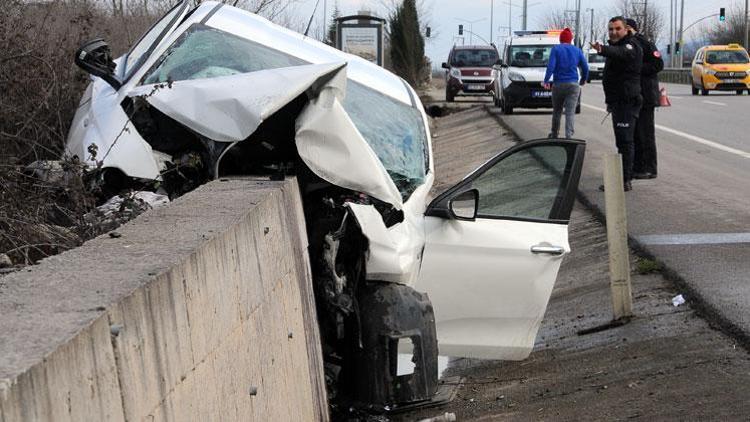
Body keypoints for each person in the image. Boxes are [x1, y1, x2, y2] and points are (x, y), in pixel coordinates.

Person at [591, 16, 643, 192]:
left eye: (617, 29)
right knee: (622, 141)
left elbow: (621, 54)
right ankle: (624, 177)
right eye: (611, 29)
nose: (614, 32)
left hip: (627, 101)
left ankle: (624, 180)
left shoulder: (630, 46)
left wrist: (602, 49)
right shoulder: (616, 47)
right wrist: (610, 102)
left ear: (626, 29)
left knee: (625, 141)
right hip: (618, 102)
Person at [626, 18, 664, 179]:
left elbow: (658, 64)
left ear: (631, 28)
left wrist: (637, 68)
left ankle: (650, 168)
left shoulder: (645, 43)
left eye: (625, 28)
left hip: (646, 95)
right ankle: (637, 167)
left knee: (646, 133)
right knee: (635, 134)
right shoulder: (626, 44)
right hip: (633, 95)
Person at [543, 28, 589, 139]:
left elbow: (551, 66)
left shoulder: (556, 49)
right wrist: (583, 79)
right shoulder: (577, 50)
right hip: (573, 85)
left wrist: (546, 80)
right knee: (570, 112)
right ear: (570, 39)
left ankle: (554, 134)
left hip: (558, 84)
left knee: (557, 111)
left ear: (560, 39)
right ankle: (569, 136)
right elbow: (585, 67)